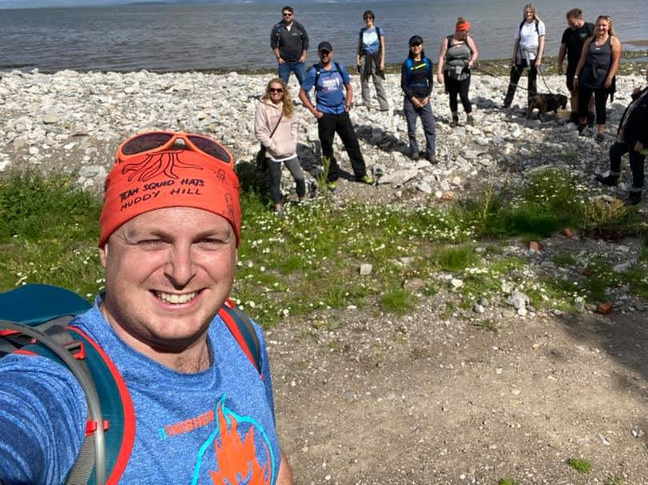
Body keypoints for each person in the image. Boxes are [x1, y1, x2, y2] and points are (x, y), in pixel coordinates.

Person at [0, 131, 293, 484]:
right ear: (106, 253)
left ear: (234, 252)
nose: (181, 272)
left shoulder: (240, 335)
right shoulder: (57, 390)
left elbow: (270, 459)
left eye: (209, 241)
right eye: (152, 241)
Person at [299, 41, 374, 190]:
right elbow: (302, 93)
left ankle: (361, 174)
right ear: (319, 54)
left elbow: (349, 88)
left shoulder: (339, 68)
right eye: (322, 52)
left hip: (341, 113)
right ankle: (332, 176)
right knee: (327, 148)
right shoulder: (314, 71)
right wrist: (314, 111)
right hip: (325, 115)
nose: (325, 55)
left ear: (331, 53)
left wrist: (348, 104)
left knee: (352, 144)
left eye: (327, 52)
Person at [596, 60, 648, 205]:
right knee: (615, 151)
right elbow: (640, 107)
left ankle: (635, 194)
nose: (645, 73)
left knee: (636, 164)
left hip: (641, 138)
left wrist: (643, 141)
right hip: (630, 133)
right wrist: (635, 96)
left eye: (647, 71)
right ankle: (613, 177)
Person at [255, 78, 307, 216]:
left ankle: (302, 201)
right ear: (269, 91)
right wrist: (273, 147)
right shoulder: (263, 106)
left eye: (279, 90)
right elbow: (259, 131)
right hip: (273, 153)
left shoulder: (287, 105)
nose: (275, 93)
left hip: (289, 150)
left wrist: (293, 141)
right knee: (275, 181)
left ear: (284, 91)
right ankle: (278, 208)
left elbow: (294, 124)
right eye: (272, 90)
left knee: (299, 178)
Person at [573, 15, 622, 142]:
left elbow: (615, 62)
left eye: (604, 25)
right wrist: (576, 75)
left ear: (608, 26)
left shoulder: (613, 41)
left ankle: (600, 130)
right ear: (595, 26)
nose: (601, 28)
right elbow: (582, 59)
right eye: (599, 25)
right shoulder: (589, 41)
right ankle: (582, 124)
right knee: (583, 102)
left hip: (603, 76)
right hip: (587, 75)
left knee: (600, 105)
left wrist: (610, 77)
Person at [401, 35, 437, 164]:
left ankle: (431, 153)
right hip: (411, 100)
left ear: (422, 45)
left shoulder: (427, 62)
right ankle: (414, 151)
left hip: (424, 99)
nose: (416, 47)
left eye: (418, 44)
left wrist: (427, 97)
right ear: (410, 47)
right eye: (413, 45)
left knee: (430, 127)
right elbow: (404, 84)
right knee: (412, 127)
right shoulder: (407, 63)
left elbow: (431, 81)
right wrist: (413, 99)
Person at [436, 17, 479, 127]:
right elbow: (441, 57)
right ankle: (454, 117)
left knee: (464, 95)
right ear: (459, 30)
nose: (467, 33)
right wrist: (439, 73)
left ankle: (469, 116)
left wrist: (471, 61)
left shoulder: (468, 39)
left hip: (465, 71)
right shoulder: (447, 41)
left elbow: (475, 53)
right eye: (465, 31)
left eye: (467, 31)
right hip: (450, 73)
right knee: (453, 95)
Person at [503, 4, 546, 108]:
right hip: (520, 55)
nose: (528, 14)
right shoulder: (521, 25)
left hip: (532, 56)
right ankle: (507, 103)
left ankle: (531, 105)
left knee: (532, 82)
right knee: (513, 79)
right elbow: (517, 42)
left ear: (534, 12)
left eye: (530, 12)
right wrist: (513, 58)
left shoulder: (539, 24)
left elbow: (542, 42)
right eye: (526, 12)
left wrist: (539, 59)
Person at [557, 8, 594, 124]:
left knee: (588, 92)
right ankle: (574, 114)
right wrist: (559, 64)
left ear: (580, 19)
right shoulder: (567, 32)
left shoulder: (590, 28)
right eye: (569, 24)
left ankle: (590, 113)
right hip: (572, 66)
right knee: (573, 90)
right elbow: (563, 48)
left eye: (573, 23)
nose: (571, 26)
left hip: (587, 66)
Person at [355, 10, 389, 111]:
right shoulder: (362, 32)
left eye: (370, 18)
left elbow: (382, 47)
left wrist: (382, 62)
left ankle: (384, 105)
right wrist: (357, 59)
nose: (368, 20)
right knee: (364, 81)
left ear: (373, 19)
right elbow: (359, 47)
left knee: (377, 81)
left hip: (375, 58)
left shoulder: (379, 31)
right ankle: (366, 103)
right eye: (366, 18)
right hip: (364, 57)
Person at [270, 5, 309, 87]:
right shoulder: (277, 27)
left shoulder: (299, 26)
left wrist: (304, 56)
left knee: (304, 84)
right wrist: (278, 57)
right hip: (284, 62)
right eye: (285, 14)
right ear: (282, 15)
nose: (287, 16)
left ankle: (307, 99)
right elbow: (273, 43)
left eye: (289, 14)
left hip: (298, 62)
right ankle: (281, 100)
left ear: (292, 15)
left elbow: (305, 40)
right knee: (282, 86)